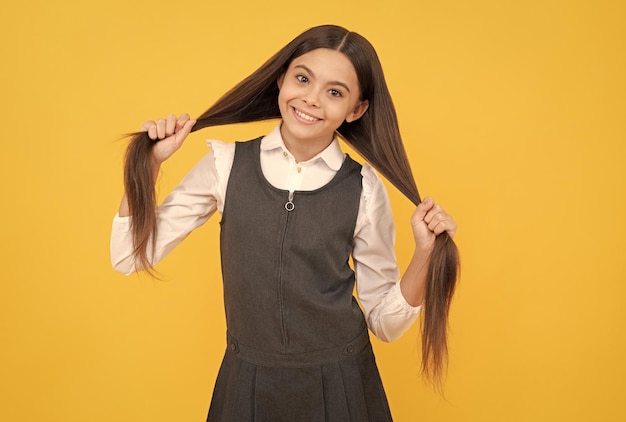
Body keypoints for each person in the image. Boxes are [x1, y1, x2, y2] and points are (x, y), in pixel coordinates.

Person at [111, 25, 458, 421]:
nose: (310, 99)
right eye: (303, 78)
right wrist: (150, 164)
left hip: (343, 385)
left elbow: (385, 323)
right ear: (281, 78)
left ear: (356, 109)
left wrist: (425, 255)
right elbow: (128, 256)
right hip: (247, 383)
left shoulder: (364, 188)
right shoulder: (225, 166)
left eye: (334, 92)